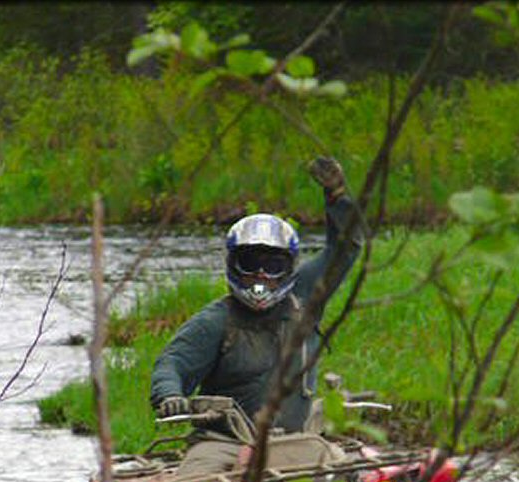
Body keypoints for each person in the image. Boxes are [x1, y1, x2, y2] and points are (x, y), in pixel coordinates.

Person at [150, 157, 363, 433]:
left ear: (288, 269)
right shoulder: (215, 321)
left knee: (352, 471)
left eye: (273, 266)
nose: (261, 274)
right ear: (233, 264)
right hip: (226, 445)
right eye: (250, 264)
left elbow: (346, 248)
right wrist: (170, 395)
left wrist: (338, 198)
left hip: (299, 444)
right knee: (199, 471)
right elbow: (173, 363)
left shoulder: (305, 297)